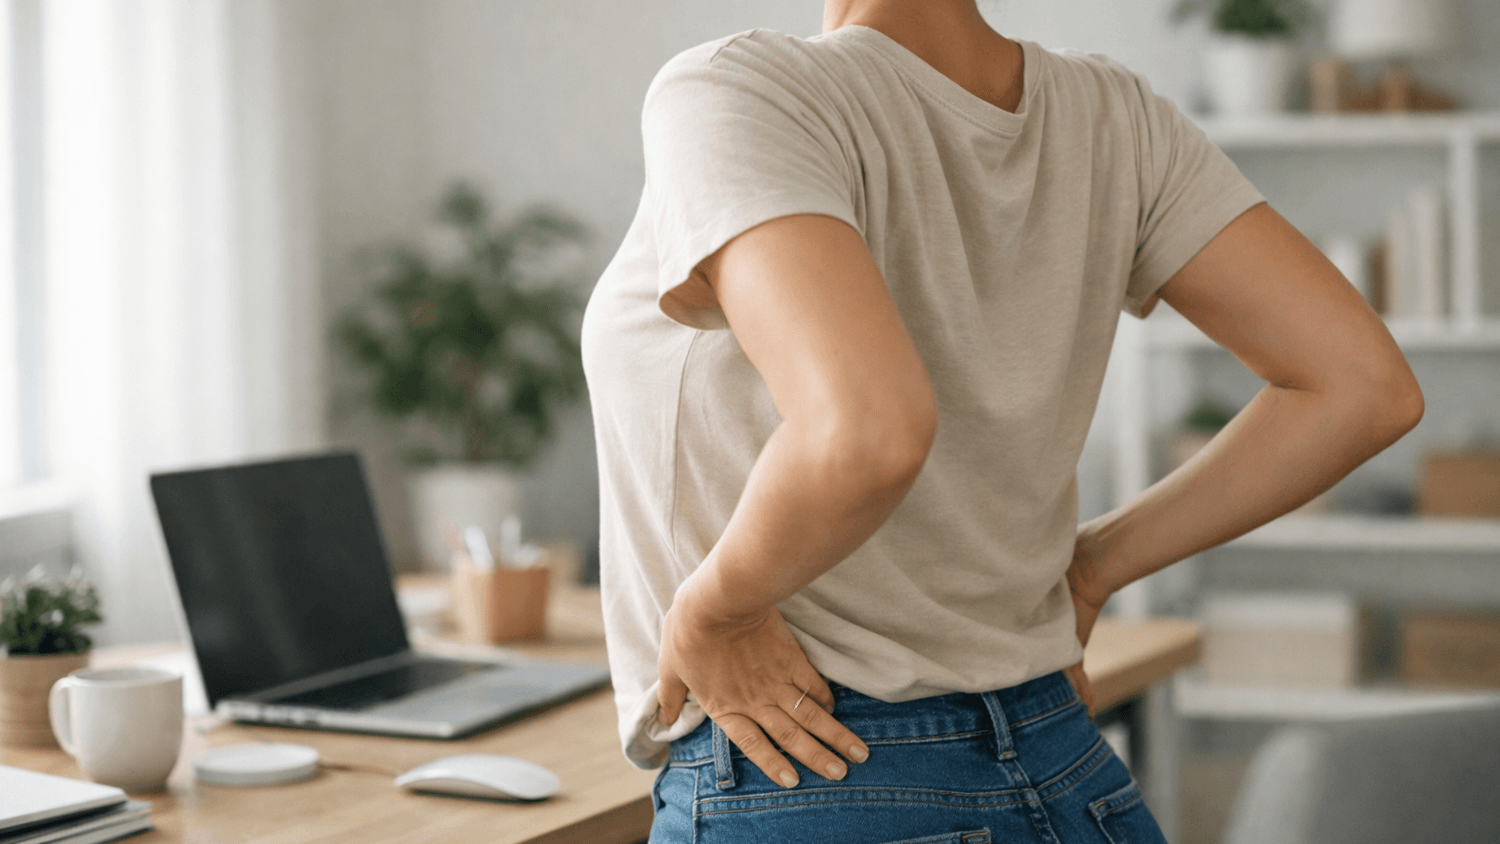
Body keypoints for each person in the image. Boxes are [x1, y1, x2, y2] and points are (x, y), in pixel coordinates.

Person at [581, 0, 1424, 841]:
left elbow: (867, 430)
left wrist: (714, 612)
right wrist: (1092, 568)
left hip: (809, 765)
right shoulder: (1113, 115)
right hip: (1069, 774)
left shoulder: (740, 91)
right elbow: (1361, 386)